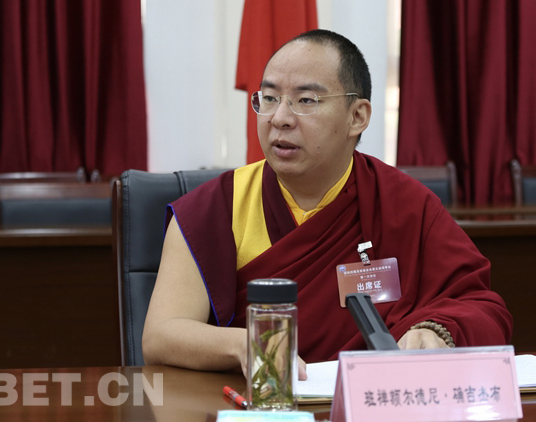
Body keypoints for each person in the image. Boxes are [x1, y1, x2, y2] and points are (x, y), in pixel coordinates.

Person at [142, 29, 512, 377]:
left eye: (306, 100)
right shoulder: (216, 207)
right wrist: (246, 343)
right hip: (261, 400)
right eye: (269, 98)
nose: (280, 118)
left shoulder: (404, 204)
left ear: (357, 117)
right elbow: (161, 334)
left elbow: (480, 306)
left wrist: (435, 332)